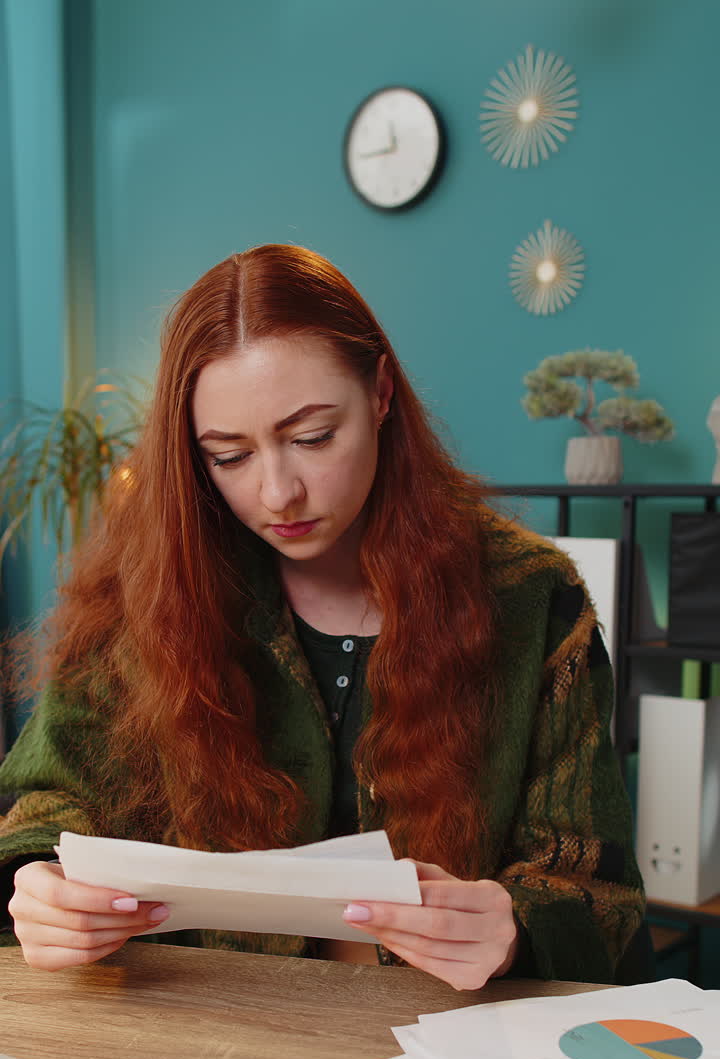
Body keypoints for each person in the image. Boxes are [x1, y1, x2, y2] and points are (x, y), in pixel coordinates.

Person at [0, 243, 647, 986]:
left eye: (311, 438)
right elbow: (46, 799)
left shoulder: (530, 598)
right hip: (199, 1036)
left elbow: (597, 884)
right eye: (228, 456)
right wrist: (39, 883)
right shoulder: (145, 592)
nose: (278, 493)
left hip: (452, 1056)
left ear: (380, 393)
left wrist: (515, 930)